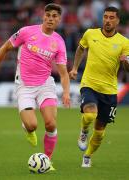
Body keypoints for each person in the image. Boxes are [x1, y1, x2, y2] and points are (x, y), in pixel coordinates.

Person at [0, 3, 71, 170]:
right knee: (32, 125)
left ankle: (47, 160)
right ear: (43, 16)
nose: (51, 19)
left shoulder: (59, 42)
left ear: (59, 19)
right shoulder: (27, 32)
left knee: (51, 124)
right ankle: (28, 129)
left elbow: (64, 73)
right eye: (48, 15)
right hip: (24, 85)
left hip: (45, 84)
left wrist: (66, 92)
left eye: (55, 16)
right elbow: (5, 48)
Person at [69, 6, 129, 167]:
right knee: (89, 115)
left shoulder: (124, 42)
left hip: (109, 90)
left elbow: (127, 68)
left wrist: (126, 61)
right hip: (89, 84)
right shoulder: (90, 33)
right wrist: (74, 68)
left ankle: (87, 156)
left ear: (117, 20)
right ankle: (83, 131)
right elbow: (81, 49)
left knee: (100, 131)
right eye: (105, 17)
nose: (108, 20)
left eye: (111, 18)